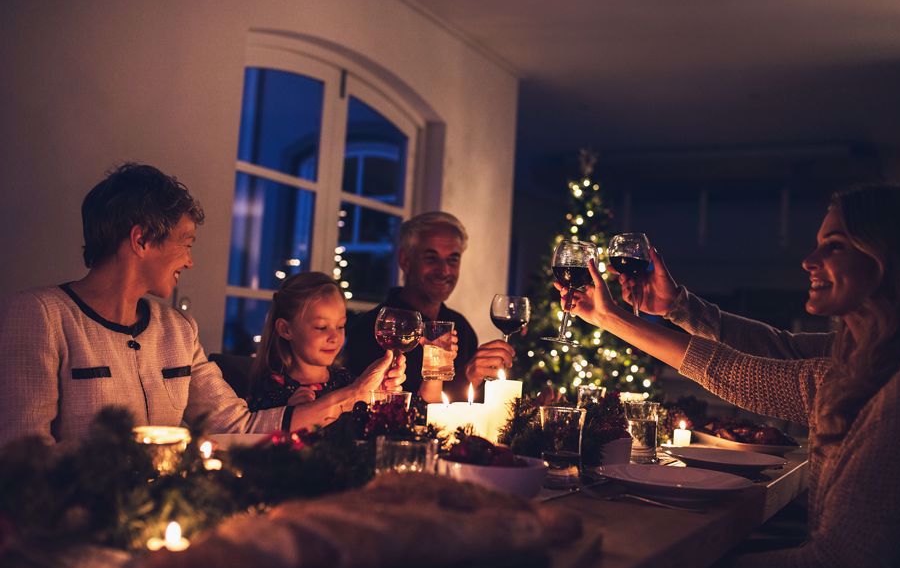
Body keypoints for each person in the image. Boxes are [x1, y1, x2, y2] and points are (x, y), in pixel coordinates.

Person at [559, 184, 900, 568]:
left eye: (833, 246)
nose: (808, 261)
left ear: (891, 260)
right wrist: (676, 307)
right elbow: (781, 351)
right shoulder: (868, 358)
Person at [0, 163, 372, 446]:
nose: (189, 261)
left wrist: (353, 395)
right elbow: (23, 452)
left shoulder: (177, 329)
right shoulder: (41, 315)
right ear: (142, 239)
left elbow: (236, 427)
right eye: (186, 242)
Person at [344, 211, 514, 401]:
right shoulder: (373, 330)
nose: (444, 270)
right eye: (431, 258)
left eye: (453, 259)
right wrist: (465, 378)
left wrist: (473, 378)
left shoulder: (461, 328)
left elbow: (463, 421)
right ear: (405, 261)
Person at [247, 271, 405, 411]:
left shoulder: (346, 381)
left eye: (340, 326)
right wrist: (291, 413)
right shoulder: (271, 389)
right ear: (286, 330)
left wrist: (378, 396)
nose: (334, 337)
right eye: (321, 327)